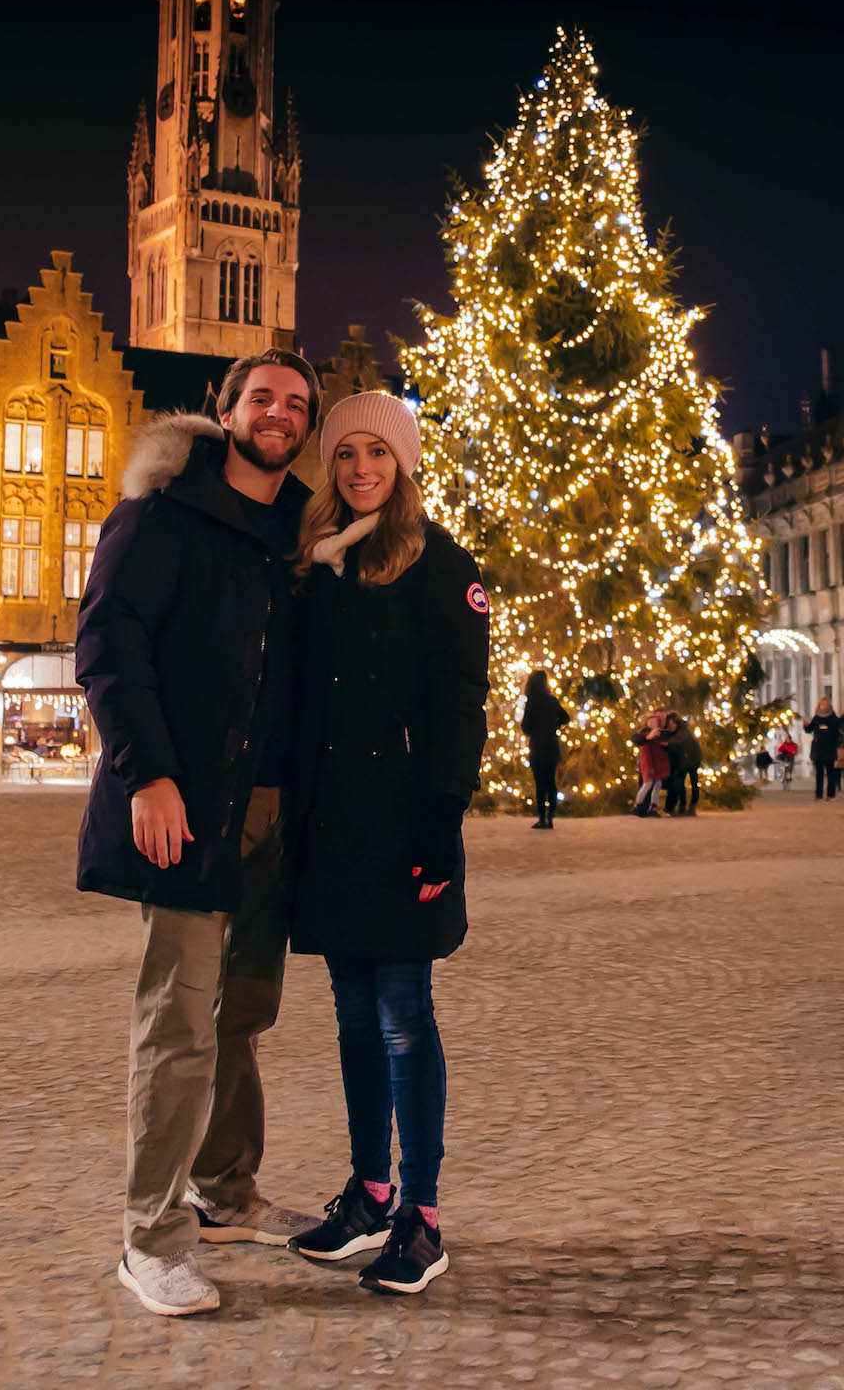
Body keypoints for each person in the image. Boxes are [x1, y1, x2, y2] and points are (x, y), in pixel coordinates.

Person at [75, 348, 320, 1319]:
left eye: (297, 404)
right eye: (262, 397)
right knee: (177, 1024)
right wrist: (150, 773)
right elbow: (106, 643)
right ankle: (152, 1237)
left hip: (269, 815)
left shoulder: (297, 536)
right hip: (183, 803)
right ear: (226, 412)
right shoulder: (160, 515)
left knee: (243, 1016)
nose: (279, 413)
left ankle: (228, 1194)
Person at [286, 392, 489, 1296]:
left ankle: (424, 1215)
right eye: (344, 454)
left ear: (404, 465)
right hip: (334, 825)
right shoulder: (320, 564)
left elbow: (461, 703)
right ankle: (370, 1194)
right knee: (352, 1020)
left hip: (405, 821)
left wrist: (441, 822)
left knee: (406, 1019)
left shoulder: (442, 566)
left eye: (378, 453)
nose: (361, 468)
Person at [520, 670, 568, 829]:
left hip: (537, 746)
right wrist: (554, 726)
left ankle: (542, 818)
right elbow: (566, 717)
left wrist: (534, 730)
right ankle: (550, 818)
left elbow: (525, 726)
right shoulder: (552, 700)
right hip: (552, 745)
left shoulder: (532, 701)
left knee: (540, 783)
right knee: (550, 782)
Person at [664, 712, 703, 816]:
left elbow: (678, 741)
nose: (670, 726)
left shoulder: (682, 732)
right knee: (681, 784)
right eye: (668, 724)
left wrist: (666, 743)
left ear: (676, 723)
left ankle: (692, 806)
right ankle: (682, 805)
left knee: (694, 782)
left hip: (693, 760)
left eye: (671, 724)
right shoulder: (675, 733)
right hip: (682, 762)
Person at [631, 712, 669, 816]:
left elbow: (664, 746)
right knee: (647, 784)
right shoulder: (644, 734)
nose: (652, 724)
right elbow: (639, 741)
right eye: (650, 722)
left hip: (658, 765)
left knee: (657, 785)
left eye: (654, 722)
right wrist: (649, 737)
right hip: (649, 764)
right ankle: (638, 804)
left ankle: (653, 807)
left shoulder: (660, 734)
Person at [803, 698, 841, 800]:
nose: (823, 706)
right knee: (819, 774)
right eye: (822, 704)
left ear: (829, 705)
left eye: (825, 704)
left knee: (830, 774)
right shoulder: (816, 718)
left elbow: (837, 734)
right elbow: (809, 730)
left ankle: (830, 794)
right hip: (818, 750)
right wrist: (805, 725)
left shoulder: (833, 718)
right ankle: (818, 794)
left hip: (829, 750)